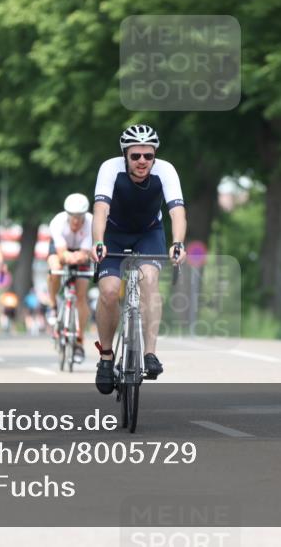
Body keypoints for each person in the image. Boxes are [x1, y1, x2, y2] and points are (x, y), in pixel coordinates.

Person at [92, 124, 186, 394]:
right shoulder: (110, 169)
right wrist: (98, 241)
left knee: (150, 281)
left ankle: (150, 354)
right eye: (136, 156)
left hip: (148, 233)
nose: (143, 161)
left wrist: (177, 242)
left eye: (148, 155)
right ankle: (107, 358)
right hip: (113, 233)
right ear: (125, 155)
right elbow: (100, 210)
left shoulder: (165, 170)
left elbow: (177, 212)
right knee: (109, 292)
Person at [46, 193, 95, 363]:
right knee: (55, 268)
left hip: (81, 254)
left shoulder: (91, 223)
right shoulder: (57, 222)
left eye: (79, 217)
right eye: (72, 217)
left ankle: (79, 342)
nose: (76, 221)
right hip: (62, 251)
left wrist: (79, 257)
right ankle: (52, 304)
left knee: (81, 296)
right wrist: (69, 257)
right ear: (67, 214)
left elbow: (84, 254)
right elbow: (61, 254)